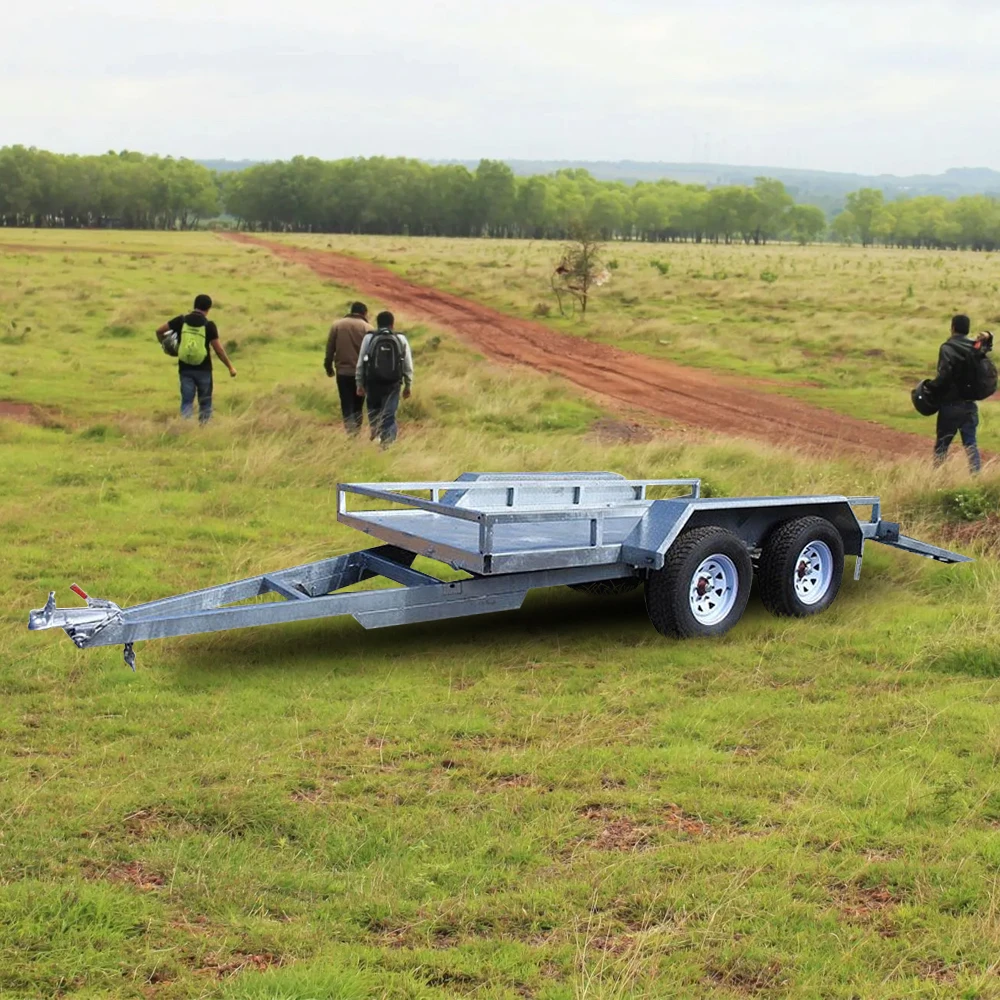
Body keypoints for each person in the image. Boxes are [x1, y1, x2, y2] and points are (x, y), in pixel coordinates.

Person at [156, 294, 236, 424]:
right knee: (205, 403)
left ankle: (185, 427)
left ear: (194, 305)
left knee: (187, 402)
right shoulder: (209, 325)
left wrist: (166, 346)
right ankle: (204, 430)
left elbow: (159, 330)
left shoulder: (181, 321)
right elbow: (219, 350)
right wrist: (230, 367)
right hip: (204, 370)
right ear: (208, 309)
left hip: (185, 369)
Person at [927, 314, 983, 474]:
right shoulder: (975, 347)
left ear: (952, 328)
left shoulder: (947, 348)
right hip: (970, 405)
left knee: (942, 446)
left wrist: (930, 387)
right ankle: (977, 479)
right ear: (967, 329)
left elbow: (943, 376)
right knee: (971, 444)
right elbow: (987, 347)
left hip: (950, 405)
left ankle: (937, 481)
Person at [356, 311, 413, 447]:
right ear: (392, 324)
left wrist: (359, 384)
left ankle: (376, 436)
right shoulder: (400, 338)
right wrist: (408, 385)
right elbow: (407, 365)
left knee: (374, 411)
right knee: (389, 413)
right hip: (393, 383)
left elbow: (360, 363)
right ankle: (387, 444)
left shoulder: (369, 338)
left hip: (373, 382)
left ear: (377, 323)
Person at [324, 302, 372, 434]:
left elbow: (330, 349)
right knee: (358, 405)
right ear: (364, 313)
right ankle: (355, 431)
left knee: (346, 403)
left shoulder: (337, 325)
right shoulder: (368, 328)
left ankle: (351, 432)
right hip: (362, 374)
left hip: (343, 372)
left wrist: (328, 366)